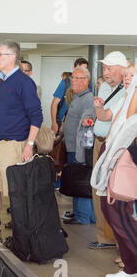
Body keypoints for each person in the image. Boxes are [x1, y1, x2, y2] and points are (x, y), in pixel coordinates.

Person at [0, 40, 43, 241]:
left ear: (12, 57)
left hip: (14, 144)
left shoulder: (24, 83)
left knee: (14, 193)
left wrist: (29, 145)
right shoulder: (0, 80)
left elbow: (37, 116)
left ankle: (20, 236)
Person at [90, 74, 137, 277]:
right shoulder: (127, 98)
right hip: (116, 162)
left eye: (132, 75)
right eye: (127, 75)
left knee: (122, 215)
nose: (128, 79)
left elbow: (129, 127)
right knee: (112, 212)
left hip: (128, 164)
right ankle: (131, 269)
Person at [82, 51, 128, 249]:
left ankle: (121, 241)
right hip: (99, 142)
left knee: (115, 191)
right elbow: (101, 114)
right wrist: (97, 110)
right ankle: (104, 237)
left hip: (115, 146)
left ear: (121, 70)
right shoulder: (103, 88)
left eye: (109, 69)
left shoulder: (127, 90)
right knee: (98, 190)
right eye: (104, 68)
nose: (105, 72)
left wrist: (101, 112)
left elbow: (111, 117)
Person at [61, 66, 96, 225]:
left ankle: (83, 217)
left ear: (85, 81)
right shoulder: (77, 97)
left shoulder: (88, 99)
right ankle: (78, 213)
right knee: (75, 181)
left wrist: (82, 154)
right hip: (72, 148)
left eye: (76, 78)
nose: (72, 81)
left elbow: (87, 126)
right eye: (72, 78)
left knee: (81, 182)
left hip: (79, 150)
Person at [50, 58, 89, 133]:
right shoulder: (66, 83)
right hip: (62, 123)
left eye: (85, 69)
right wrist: (54, 123)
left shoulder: (88, 84)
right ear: (74, 68)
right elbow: (54, 104)